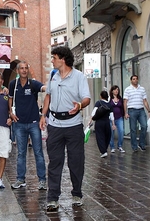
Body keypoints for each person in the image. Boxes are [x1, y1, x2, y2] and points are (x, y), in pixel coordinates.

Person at [39, 46, 91, 212]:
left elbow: (87, 98)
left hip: (74, 125)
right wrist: (43, 115)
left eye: (54, 57)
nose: (52, 60)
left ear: (63, 59)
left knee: (76, 161)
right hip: (54, 124)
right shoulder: (53, 76)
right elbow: (48, 96)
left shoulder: (79, 77)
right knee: (55, 162)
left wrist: (80, 105)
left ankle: (77, 194)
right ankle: (53, 198)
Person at [8, 61, 47, 190]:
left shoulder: (33, 83)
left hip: (34, 123)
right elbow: (10, 99)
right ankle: (20, 179)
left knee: (38, 153)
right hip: (19, 124)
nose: (24, 70)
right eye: (22, 68)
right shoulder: (13, 84)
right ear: (18, 71)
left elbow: (43, 88)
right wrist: (11, 113)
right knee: (21, 153)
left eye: (26, 68)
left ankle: (42, 180)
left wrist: (51, 86)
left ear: (28, 70)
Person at [123, 75, 150, 152]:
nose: (135, 80)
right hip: (132, 110)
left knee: (144, 126)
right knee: (133, 129)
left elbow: (145, 100)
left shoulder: (142, 89)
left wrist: (149, 111)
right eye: (133, 79)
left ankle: (141, 143)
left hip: (141, 110)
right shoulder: (127, 89)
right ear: (131, 81)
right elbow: (125, 101)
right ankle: (134, 146)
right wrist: (125, 112)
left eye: (136, 79)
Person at [90, 91, 115, 158]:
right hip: (107, 122)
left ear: (101, 96)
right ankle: (104, 149)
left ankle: (103, 151)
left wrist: (90, 120)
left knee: (100, 136)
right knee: (107, 136)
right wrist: (113, 124)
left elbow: (93, 113)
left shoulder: (98, 103)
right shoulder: (110, 105)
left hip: (99, 122)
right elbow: (112, 116)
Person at [109, 85, 125, 153]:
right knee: (111, 133)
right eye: (115, 89)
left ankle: (120, 145)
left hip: (119, 117)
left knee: (121, 131)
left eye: (117, 90)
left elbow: (123, 107)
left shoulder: (120, 99)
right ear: (112, 91)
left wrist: (124, 114)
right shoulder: (109, 99)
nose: (116, 91)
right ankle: (112, 147)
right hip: (110, 118)